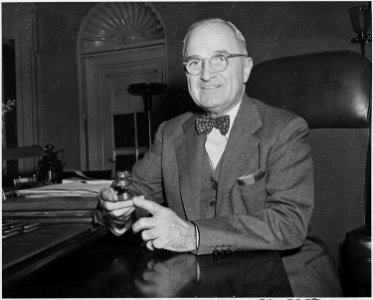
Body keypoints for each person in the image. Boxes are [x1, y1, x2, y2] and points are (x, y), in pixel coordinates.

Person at [95, 18, 342, 296]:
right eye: (195, 63)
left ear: (246, 68)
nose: (206, 75)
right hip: (196, 280)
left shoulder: (285, 129)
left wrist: (193, 235)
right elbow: (136, 193)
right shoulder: (170, 133)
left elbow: (289, 224)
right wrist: (118, 210)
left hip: (285, 275)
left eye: (219, 59)